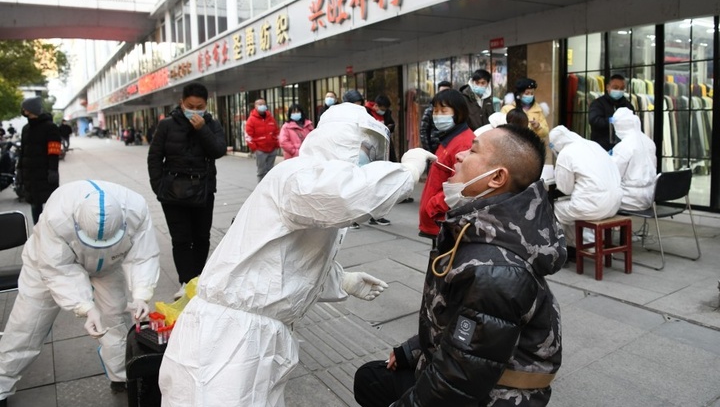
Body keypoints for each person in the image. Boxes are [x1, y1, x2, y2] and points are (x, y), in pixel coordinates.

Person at [158, 103, 436, 407]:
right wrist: (408, 171)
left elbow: (290, 257)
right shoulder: (298, 175)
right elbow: (351, 195)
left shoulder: (313, 184)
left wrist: (341, 280)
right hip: (225, 339)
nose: (366, 157)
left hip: (255, 336)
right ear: (340, 140)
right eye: (364, 147)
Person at [354, 124, 566, 407]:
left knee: (374, 384)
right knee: (370, 378)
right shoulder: (479, 227)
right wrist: (411, 350)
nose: (459, 156)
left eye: (473, 150)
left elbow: (459, 379)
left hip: (496, 394)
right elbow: (458, 321)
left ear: (497, 177)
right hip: (473, 368)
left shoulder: (497, 270)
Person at [0, 180, 160, 405]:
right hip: (46, 265)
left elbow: (143, 254)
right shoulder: (56, 217)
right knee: (27, 325)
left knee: (115, 318)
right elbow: (59, 270)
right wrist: (85, 306)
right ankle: (1, 383)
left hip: (108, 266)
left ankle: (122, 376)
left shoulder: (136, 209)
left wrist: (142, 294)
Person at [148, 82, 226, 299]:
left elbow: (218, 150)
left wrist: (202, 129)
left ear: (206, 104)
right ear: (182, 103)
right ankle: (186, 281)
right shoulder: (167, 125)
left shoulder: (212, 124)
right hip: (173, 193)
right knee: (181, 239)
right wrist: (159, 187)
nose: (194, 109)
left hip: (203, 191)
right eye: (190, 105)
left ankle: (198, 280)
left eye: (199, 106)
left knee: (201, 237)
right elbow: (154, 157)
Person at [549, 125, 622, 253]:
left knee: (555, 209)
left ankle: (559, 250)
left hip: (594, 206)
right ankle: (578, 245)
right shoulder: (593, 145)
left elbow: (566, 189)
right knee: (572, 209)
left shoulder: (566, 153)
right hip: (615, 203)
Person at [419, 89, 474, 244]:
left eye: (443, 111)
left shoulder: (464, 143)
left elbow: (463, 185)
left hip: (445, 222)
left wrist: (432, 206)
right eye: (435, 111)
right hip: (437, 221)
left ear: (458, 112)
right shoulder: (448, 139)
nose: (438, 115)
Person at [17, 96, 61, 224]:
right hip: (29, 174)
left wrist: (53, 170)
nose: (23, 110)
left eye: (24, 107)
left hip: (45, 173)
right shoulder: (26, 129)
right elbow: (22, 151)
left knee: (50, 204)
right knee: (34, 205)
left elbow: (54, 150)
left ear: (31, 109)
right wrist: (20, 169)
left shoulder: (50, 127)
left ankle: (52, 230)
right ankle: (38, 231)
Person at [611, 107, 657, 210]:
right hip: (650, 197)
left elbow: (614, 175)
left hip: (630, 198)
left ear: (619, 125)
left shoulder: (624, 146)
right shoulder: (649, 141)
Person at [366, 94, 397, 224]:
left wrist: (388, 127)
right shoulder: (366, 112)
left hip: (384, 150)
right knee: (368, 185)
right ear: (376, 105)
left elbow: (392, 125)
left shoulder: (386, 113)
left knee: (381, 184)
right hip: (368, 151)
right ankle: (357, 216)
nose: (383, 111)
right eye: (382, 108)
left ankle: (377, 215)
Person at [588, 74, 635, 151]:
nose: (619, 91)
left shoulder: (628, 105)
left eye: (622, 88)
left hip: (623, 148)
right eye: (615, 88)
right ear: (608, 87)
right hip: (601, 147)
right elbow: (594, 121)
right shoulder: (598, 103)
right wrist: (613, 120)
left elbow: (633, 124)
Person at [245, 98, 280, 182]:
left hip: (272, 149)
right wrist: (255, 149)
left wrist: (277, 144)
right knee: (261, 172)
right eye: (260, 104)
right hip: (260, 150)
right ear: (255, 106)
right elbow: (248, 136)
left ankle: (269, 189)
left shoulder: (270, 118)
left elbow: (276, 131)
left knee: (270, 171)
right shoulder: (251, 120)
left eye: (263, 104)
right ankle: (260, 190)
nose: (262, 106)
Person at [419, 81, 451, 154]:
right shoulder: (430, 110)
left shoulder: (454, 110)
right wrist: (429, 151)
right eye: (442, 92)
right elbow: (423, 131)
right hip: (434, 149)